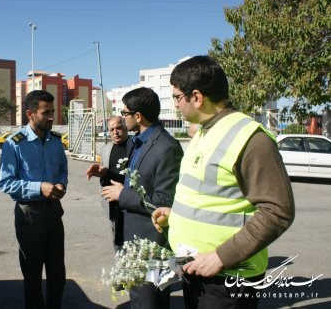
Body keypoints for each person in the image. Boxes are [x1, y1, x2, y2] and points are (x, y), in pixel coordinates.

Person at [151, 55, 295, 308]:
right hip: (195, 268)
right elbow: (214, 198)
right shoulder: (204, 131)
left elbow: (277, 211)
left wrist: (220, 256)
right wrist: (176, 215)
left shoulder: (251, 138)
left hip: (227, 279)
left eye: (176, 97)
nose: (175, 105)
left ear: (196, 97)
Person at [88, 87, 183, 309]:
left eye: (125, 114)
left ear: (137, 116)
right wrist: (108, 174)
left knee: (150, 303)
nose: (122, 118)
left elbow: (164, 201)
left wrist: (123, 195)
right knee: (138, 300)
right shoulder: (137, 142)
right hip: (131, 240)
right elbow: (135, 183)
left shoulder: (166, 147)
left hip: (149, 243)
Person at [0, 90, 68, 309]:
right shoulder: (14, 144)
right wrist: (40, 188)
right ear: (30, 113)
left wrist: (61, 185)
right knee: (33, 276)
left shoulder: (56, 141)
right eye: (46, 113)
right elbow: (5, 183)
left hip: (54, 213)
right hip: (30, 216)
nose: (51, 117)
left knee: (57, 273)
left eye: (52, 112)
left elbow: (63, 171)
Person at [87, 116, 129, 251]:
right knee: (117, 242)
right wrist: (101, 174)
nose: (115, 132)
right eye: (112, 130)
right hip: (112, 205)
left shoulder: (134, 146)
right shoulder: (106, 149)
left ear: (125, 127)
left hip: (130, 202)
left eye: (118, 128)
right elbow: (104, 178)